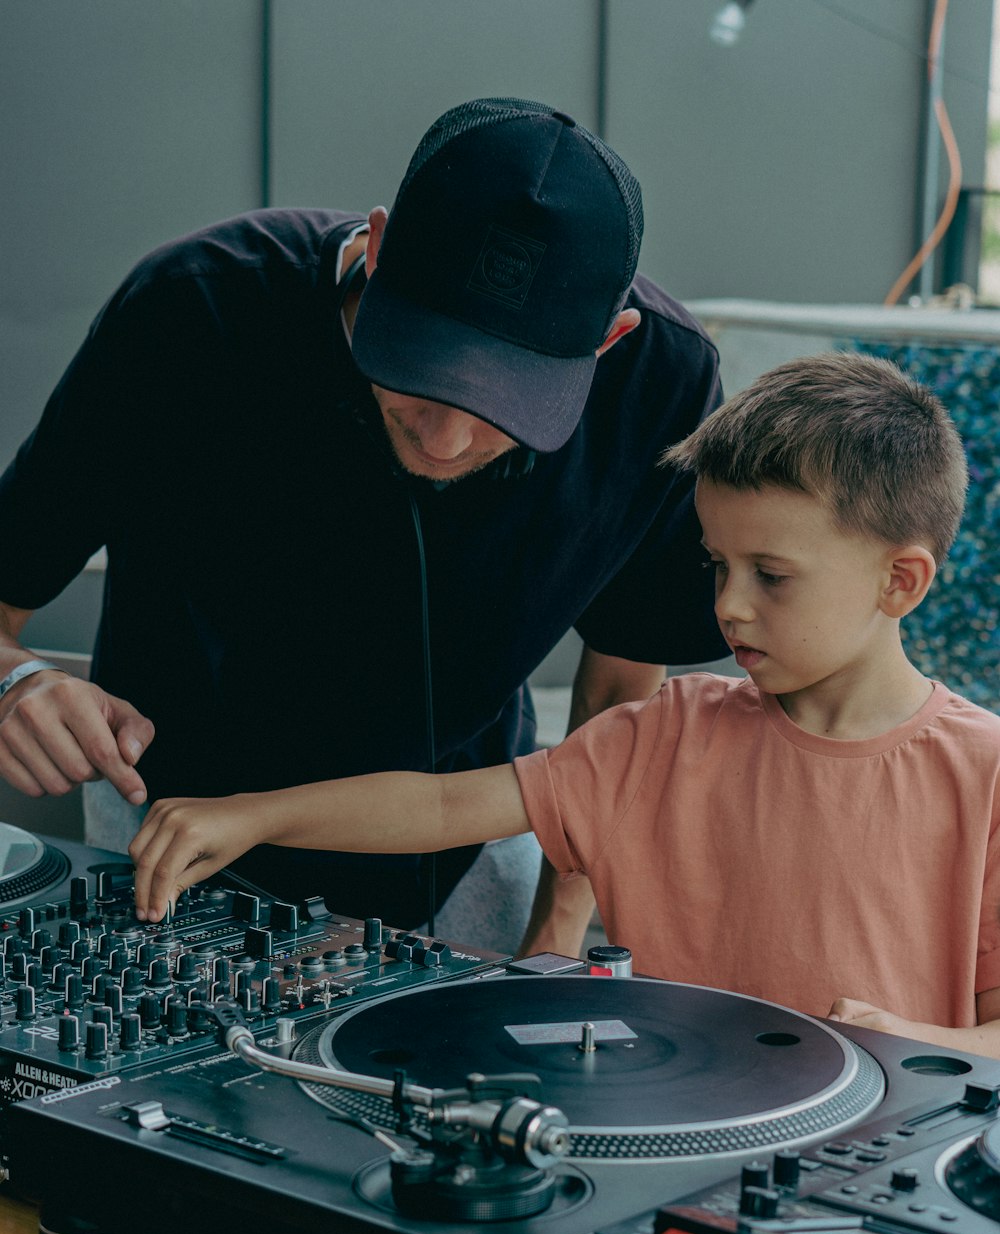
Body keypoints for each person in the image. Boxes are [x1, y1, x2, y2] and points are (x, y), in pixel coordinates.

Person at [0, 97, 727, 953]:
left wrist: (557, 934)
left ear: (609, 342)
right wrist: (16, 684)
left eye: (506, 407)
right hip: (168, 842)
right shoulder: (192, 310)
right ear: (378, 253)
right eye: (422, 378)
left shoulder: (664, 385)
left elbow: (616, 698)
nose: (447, 439)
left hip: (469, 862)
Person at [129, 351, 1000, 1059]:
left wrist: (907, 1041)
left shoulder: (985, 775)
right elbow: (439, 804)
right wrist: (250, 815)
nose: (728, 606)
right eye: (715, 566)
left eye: (770, 576)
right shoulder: (664, 735)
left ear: (902, 580)